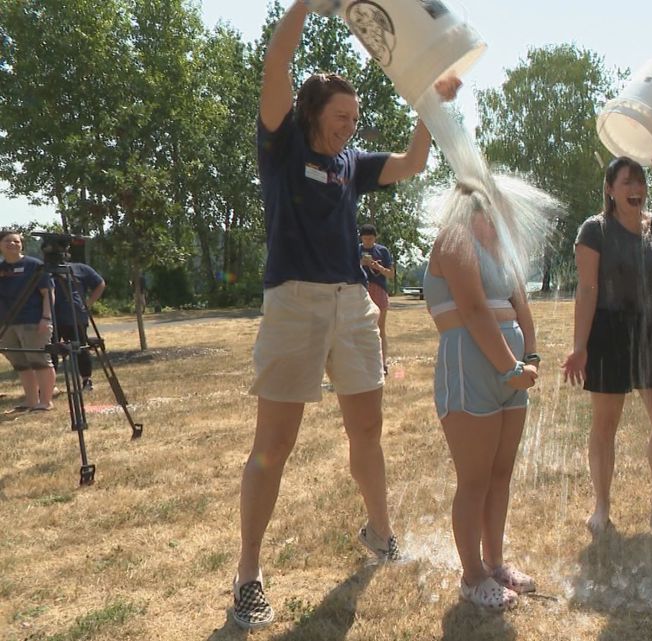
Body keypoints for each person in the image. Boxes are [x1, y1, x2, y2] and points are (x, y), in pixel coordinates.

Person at [232, 1, 461, 631]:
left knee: (367, 431)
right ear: (312, 113)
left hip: (353, 305)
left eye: (354, 120)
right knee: (272, 446)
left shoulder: (349, 164)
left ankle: (379, 533)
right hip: (293, 302)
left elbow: (413, 164)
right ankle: (248, 572)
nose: (348, 128)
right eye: (340, 118)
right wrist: (306, 3)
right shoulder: (280, 146)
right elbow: (278, 62)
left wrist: (429, 103)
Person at [424, 175, 553, 611]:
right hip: (472, 370)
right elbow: (474, 310)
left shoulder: (502, 248)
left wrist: (531, 357)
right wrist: (511, 367)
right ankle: (472, 574)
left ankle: (495, 563)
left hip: (510, 375)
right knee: (475, 480)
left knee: (500, 475)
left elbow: (522, 309)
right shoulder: (453, 239)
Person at [562, 156, 652, 535]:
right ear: (610, 189)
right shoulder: (595, 230)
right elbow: (587, 289)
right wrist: (579, 346)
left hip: (649, 329)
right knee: (606, 423)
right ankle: (602, 506)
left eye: (640, 182)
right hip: (607, 331)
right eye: (627, 182)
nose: (636, 189)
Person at [0, 231, 55, 411]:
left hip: (33, 321)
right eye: (7, 241)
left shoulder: (35, 266)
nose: (12, 244)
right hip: (7, 324)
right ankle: (30, 401)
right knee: (21, 364)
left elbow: (48, 293)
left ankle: (46, 402)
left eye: (16, 241)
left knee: (39, 361)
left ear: (22, 245)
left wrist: (46, 318)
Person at [53, 262, 106, 391]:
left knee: (80, 348)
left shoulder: (80, 268)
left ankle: (86, 380)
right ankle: (49, 385)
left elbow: (100, 283)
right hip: (50, 316)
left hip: (75, 316)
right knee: (50, 351)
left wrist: (88, 303)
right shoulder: (42, 269)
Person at [359, 224, 394, 372]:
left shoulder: (382, 251)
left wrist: (377, 267)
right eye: (365, 239)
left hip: (378, 289)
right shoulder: (355, 249)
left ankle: (382, 363)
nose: (368, 242)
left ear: (375, 237)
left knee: (380, 328)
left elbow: (391, 274)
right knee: (359, 329)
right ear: (361, 237)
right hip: (360, 290)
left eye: (371, 239)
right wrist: (360, 263)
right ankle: (363, 363)